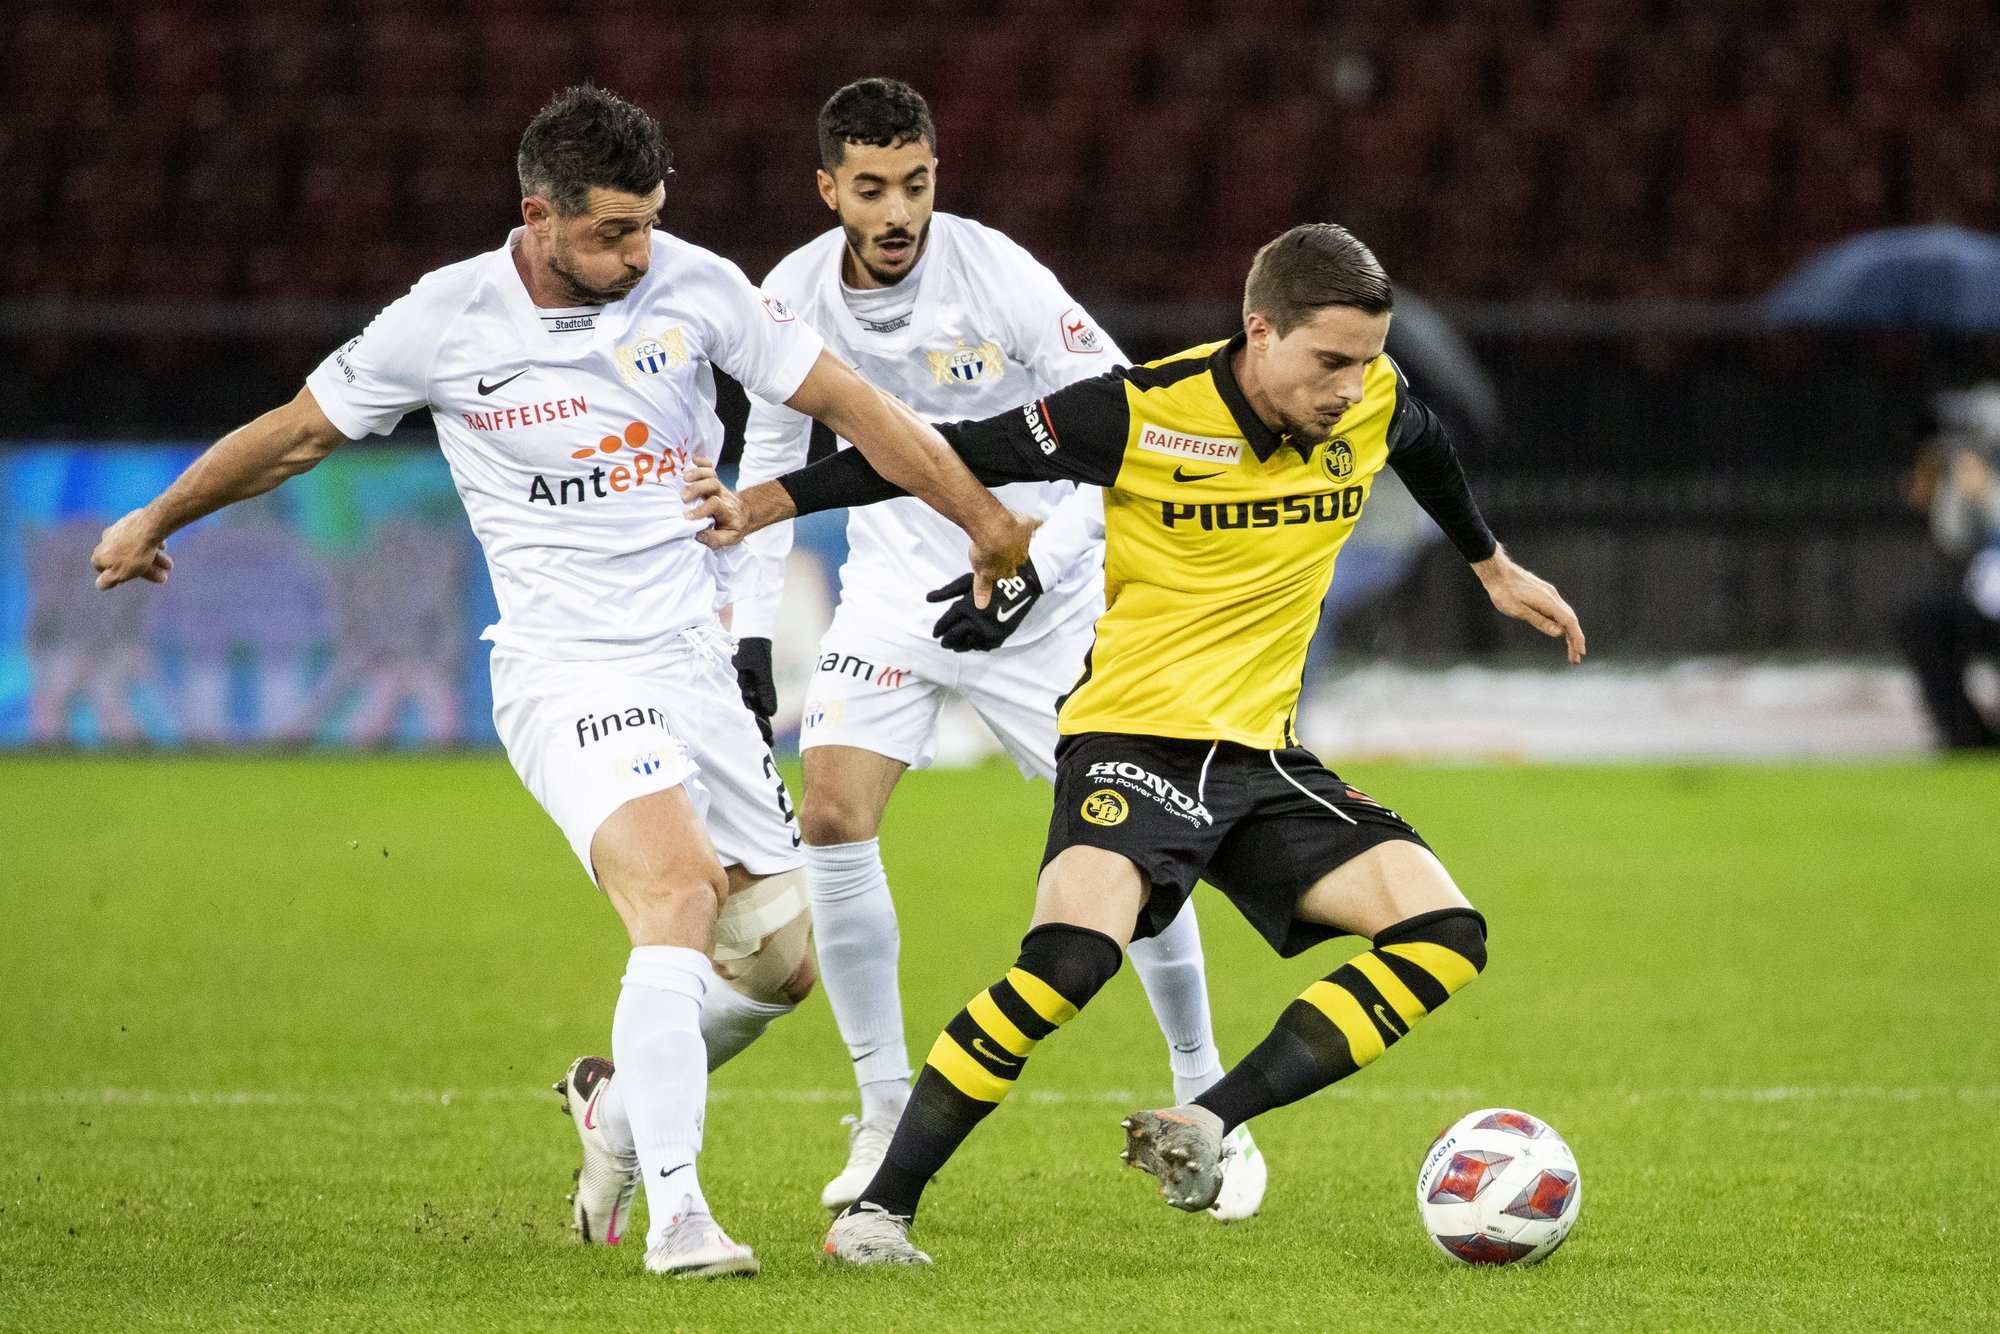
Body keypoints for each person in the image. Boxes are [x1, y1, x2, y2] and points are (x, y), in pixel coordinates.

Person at [88, 85, 1035, 1279]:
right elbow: (297, 433)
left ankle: (613, 1109)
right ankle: (683, 1212)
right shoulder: (444, 318)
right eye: (610, 233)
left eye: (647, 223)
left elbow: (855, 407)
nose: (636, 253)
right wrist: (157, 513)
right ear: (536, 215)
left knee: (778, 965)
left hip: (690, 661)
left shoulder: (696, 286)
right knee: (679, 893)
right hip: (565, 667)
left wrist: (983, 521)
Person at [687, 222, 1586, 1265]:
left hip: (1261, 761)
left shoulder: (1373, 401)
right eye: (1327, 360)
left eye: (1366, 359)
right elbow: (940, 453)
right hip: (1133, 743)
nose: (1349, 386)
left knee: (1444, 930)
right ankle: (877, 1211)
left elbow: (1421, 445)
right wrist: (762, 501)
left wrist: (1490, 564)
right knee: (1068, 963)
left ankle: (1208, 1115)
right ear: (1261, 329)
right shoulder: (1139, 409)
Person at [729, 77, 1264, 1219]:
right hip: (891, 594)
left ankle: (1200, 1100)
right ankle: (880, 1112)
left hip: (1047, 599)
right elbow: (770, 465)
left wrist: (1030, 573)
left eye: (913, 184)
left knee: (1141, 850)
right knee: (828, 814)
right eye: (869, 188)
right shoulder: (785, 297)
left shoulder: (998, 275)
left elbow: (1126, 431)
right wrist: (751, 635)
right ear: (827, 188)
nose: (896, 211)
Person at [1896, 431, 2000, 749]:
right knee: (1923, 619)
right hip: (1988, 600)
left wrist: (1989, 494)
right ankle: (1965, 733)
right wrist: (1954, 490)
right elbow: (1954, 539)